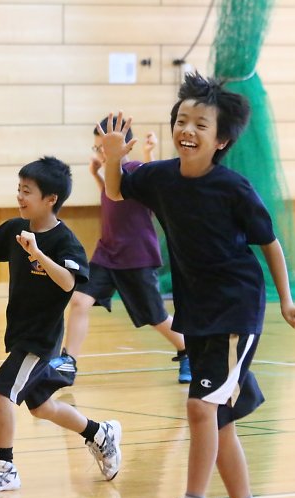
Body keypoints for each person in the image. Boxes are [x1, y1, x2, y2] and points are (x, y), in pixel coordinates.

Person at [99, 72, 295, 498]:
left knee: (199, 408)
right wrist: (114, 157)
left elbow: (269, 243)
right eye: (182, 120)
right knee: (219, 420)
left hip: (236, 310)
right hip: (197, 312)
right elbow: (117, 192)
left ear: (221, 140)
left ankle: (192, 496)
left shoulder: (233, 188)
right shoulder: (160, 177)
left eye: (200, 124)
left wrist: (286, 301)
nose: (187, 130)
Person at [0, 156, 122, 493]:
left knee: (0, 392)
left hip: (40, 339)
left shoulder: (65, 242)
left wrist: (38, 254)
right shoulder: (14, 228)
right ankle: (99, 433)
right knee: (41, 406)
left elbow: (68, 282)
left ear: (51, 199)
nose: (20, 196)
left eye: (27, 191)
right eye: (19, 189)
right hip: (20, 332)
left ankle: (4, 466)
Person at [51, 119, 191, 386]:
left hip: (137, 257)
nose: (100, 152)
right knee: (79, 300)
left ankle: (188, 350)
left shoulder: (136, 170)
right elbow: (111, 198)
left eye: (102, 147)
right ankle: (69, 361)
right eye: (97, 147)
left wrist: (149, 152)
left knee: (156, 317)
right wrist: (96, 176)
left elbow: (152, 182)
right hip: (107, 254)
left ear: (122, 146)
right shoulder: (110, 175)